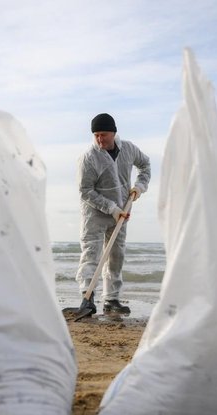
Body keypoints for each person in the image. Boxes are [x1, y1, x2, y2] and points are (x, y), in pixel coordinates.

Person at [76, 113, 151, 315]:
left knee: (116, 256)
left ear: (114, 132)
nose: (100, 140)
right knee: (91, 253)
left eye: (104, 134)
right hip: (95, 213)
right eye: (96, 135)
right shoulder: (89, 158)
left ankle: (111, 300)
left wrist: (139, 187)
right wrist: (111, 208)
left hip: (122, 211)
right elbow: (85, 191)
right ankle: (87, 297)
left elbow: (145, 165)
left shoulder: (129, 149)